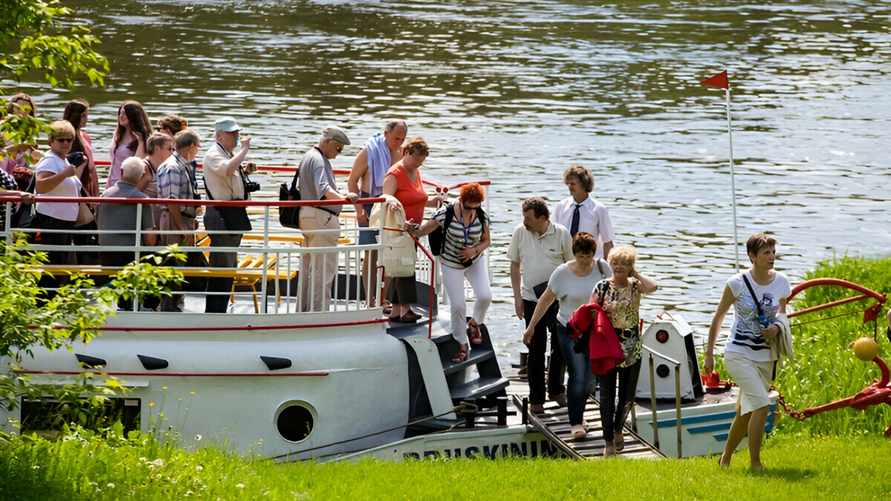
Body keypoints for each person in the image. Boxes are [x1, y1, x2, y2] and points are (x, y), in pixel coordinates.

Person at [704, 233, 790, 471]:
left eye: (773, 252)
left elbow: (783, 313)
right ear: (752, 256)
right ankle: (755, 463)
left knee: (745, 412)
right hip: (738, 353)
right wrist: (710, 353)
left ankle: (725, 459)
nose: (772, 257)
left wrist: (777, 327)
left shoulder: (782, 281)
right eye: (766, 253)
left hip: (766, 355)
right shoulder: (736, 283)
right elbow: (718, 317)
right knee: (762, 405)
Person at [523, 232, 611, 435]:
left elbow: (612, 292)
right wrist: (531, 326)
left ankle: (579, 413)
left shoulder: (602, 267)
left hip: (594, 329)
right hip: (569, 329)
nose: (584, 261)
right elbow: (546, 299)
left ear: (593, 254)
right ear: (575, 254)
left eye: (588, 256)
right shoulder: (562, 273)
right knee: (578, 374)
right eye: (580, 256)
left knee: (590, 379)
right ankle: (576, 424)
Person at [411, 183, 491, 362]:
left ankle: (474, 323)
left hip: (474, 260)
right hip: (451, 263)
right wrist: (409, 228)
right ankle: (462, 343)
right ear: (461, 201)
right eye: (468, 206)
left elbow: (487, 241)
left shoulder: (481, 215)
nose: (471, 210)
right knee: (458, 306)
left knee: (485, 296)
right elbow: (423, 230)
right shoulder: (445, 214)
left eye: (475, 207)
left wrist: (474, 250)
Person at [508, 197, 574, 413]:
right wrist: (517, 297)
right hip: (531, 299)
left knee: (560, 348)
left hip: (558, 301)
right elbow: (515, 265)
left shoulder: (562, 233)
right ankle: (536, 398)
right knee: (535, 349)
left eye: (528, 218)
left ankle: (556, 389)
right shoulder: (520, 232)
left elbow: (571, 266)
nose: (524, 221)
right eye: (523, 217)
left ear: (543, 218)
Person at [593, 244, 657, 456]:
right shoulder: (602, 287)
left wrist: (635, 273)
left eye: (625, 263)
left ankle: (619, 427)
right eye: (616, 262)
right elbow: (591, 311)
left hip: (632, 348)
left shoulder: (635, 286)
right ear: (609, 264)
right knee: (607, 396)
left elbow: (653, 287)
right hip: (608, 348)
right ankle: (608, 441)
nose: (619, 267)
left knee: (627, 396)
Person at [296, 126, 358, 312]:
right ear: (329, 142)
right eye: (338, 148)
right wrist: (345, 198)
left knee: (308, 269)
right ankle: (319, 313)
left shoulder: (308, 156)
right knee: (324, 270)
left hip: (307, 215)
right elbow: (323, 189)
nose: (338, 154)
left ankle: (303, 310)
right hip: (321, 217)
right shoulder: (319, 160)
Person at [380, 137, 441, 323]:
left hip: (413, 231)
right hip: (399, 230)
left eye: (422, 161)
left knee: (402, 268)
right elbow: (385, 198)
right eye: (416, 160)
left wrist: (433, 200)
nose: (418, 164)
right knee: (405, 268)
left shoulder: (416, 171)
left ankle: (397, 310)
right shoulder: (395, 174)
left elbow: (416, 197)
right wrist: (401, 220)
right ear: (406, 153)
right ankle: (405, 309)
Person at [348, 119, 407, 308]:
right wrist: (359, 212)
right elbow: (352, 181)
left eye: (402, 139)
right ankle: (369, 299)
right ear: (386, 133)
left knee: (391, 253)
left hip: (390, 207)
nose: (399, 142)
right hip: (368, 205)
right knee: (371, 255)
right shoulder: (368, 151)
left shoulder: (401, 152)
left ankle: (385, 297)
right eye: (396, 138)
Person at [203, 117, 256, 313]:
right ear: (219, 135)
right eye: (231, 133)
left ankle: (218, 311)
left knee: (228, 267)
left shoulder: (225, 153)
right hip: (221, 216)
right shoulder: (213, 154)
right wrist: (244, 151)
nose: (236, 137)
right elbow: (225, 170)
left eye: (237, 133)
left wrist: (243, 168)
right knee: (223, 269)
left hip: (231, 215)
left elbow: (230, 171)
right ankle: (215, 313)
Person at [97, 157, 157, 310]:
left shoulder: (105, 195)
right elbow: (150, 238)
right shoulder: (142, 199)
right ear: (141, 176)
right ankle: (150, 306)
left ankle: (125, 304)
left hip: (106, 253)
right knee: (158, 261)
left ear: (121, 171)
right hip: (130, 255)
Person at [157, 128, 202, 312]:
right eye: (198, 146)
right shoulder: (173, 167)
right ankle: (169, 308)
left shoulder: (182, 165)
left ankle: (175, 305)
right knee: (172, 265)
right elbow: (172, 201)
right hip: (175, 220)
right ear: (191, 146)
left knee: (178, 265)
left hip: (183, 219)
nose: (198, 150)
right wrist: (181, 228)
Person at [33, 120, 85, 266]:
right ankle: (49, 288)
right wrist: (63, 175)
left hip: (63, 221)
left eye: (69, 139)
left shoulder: (63, 160)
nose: (65, 143)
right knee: (53, 264)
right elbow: (41, 187)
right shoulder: (50, 161)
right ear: (51, 141)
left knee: (60, 263)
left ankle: (54, 288)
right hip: (52, 220)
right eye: (61, 139)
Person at [553, 164, 615, 260]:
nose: (569, 187)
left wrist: (608, 271)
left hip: (590, 263)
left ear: (584, 183)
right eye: (568, 184)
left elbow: (607, 242)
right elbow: (553, 237)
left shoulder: (599, 209)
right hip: (565, 262)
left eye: (573, 184)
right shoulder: (561, 206)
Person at [1, 93, 42, 189]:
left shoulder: (30, 131)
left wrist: (35, 154)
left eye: (26, 109)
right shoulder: (2, 127)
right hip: (3, 178)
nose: (22, 112)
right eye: (18, 108)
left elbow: (32, 161)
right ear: (12, 108)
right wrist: (18, 147)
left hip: (21, 178)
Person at [106, 100, 151, 189]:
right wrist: (108, 183)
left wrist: (141, 142)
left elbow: (137, 164)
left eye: (125, 114)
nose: (121, 116)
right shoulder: (117, 134)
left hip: (127, 186)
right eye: (120, 113)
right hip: (111, 184)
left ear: (134, 116)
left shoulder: (143, 138)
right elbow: (114, 162)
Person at [138, 132, 174, 226]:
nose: (172, 153)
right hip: (146, 222)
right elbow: (132, 194)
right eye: (169, 149)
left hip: (159, 219)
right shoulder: (144, 168)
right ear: (157, 149)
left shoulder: (164, 167)